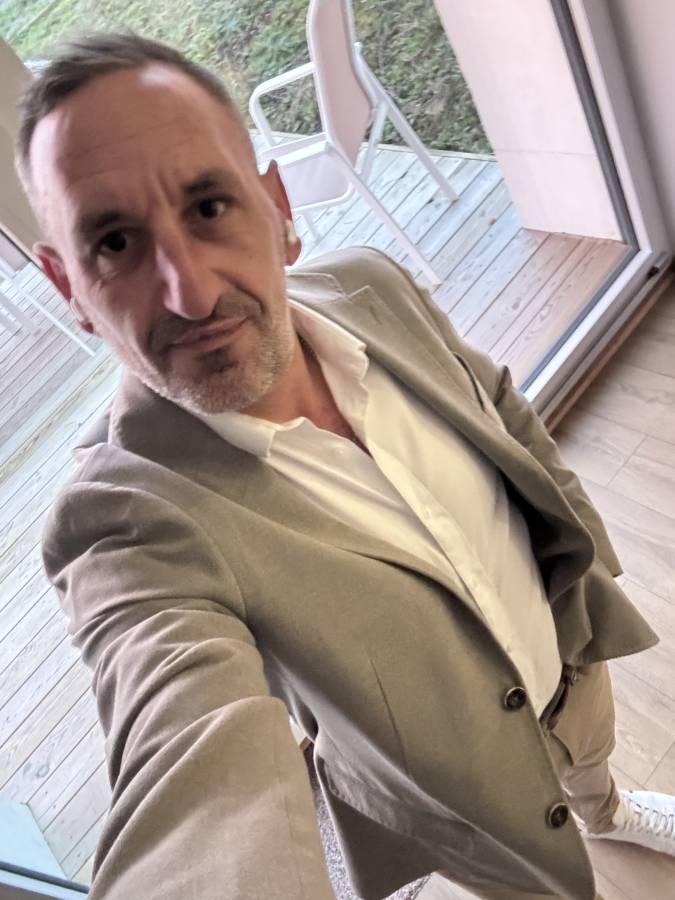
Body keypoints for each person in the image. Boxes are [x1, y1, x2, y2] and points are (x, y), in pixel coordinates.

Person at [17, 31, 674, 900]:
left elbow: (499, 407)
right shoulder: (123, 525)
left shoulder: (372, 284)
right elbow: (186, 765)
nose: (192, 292)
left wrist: (582, 560)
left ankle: (604, 806)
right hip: (467, 808)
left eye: (208, 206)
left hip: (569, 661)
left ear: (276, 209)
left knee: (590, 757)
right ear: (70, 290)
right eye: (113, 243)